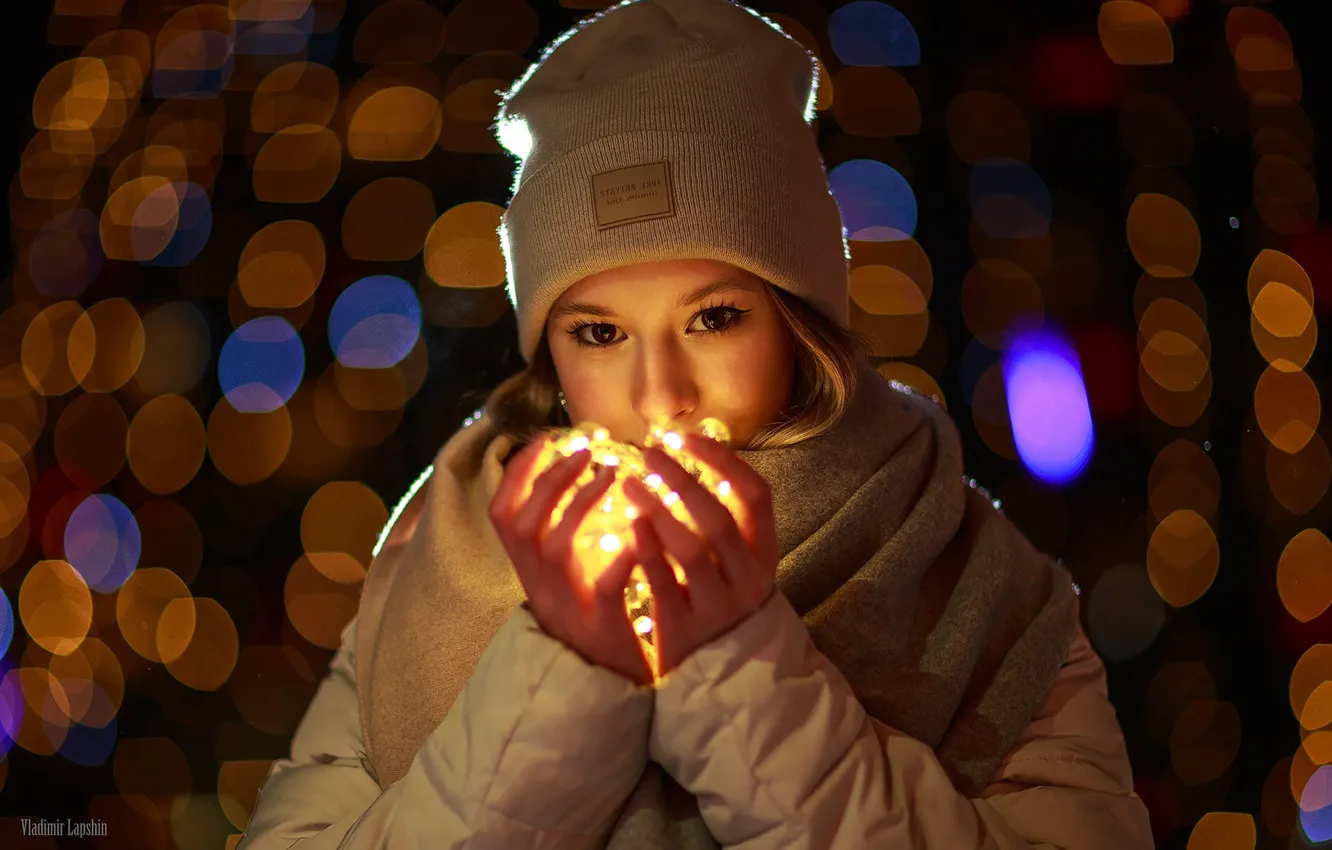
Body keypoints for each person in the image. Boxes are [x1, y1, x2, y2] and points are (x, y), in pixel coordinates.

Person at [238, 0, 1155, 847]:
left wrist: (736, 662)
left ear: (798, 318)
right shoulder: (436, 555)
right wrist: (563, 669)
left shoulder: (974, 580)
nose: (660, 394)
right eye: (598, 332)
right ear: (545, 350)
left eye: (714, 318)